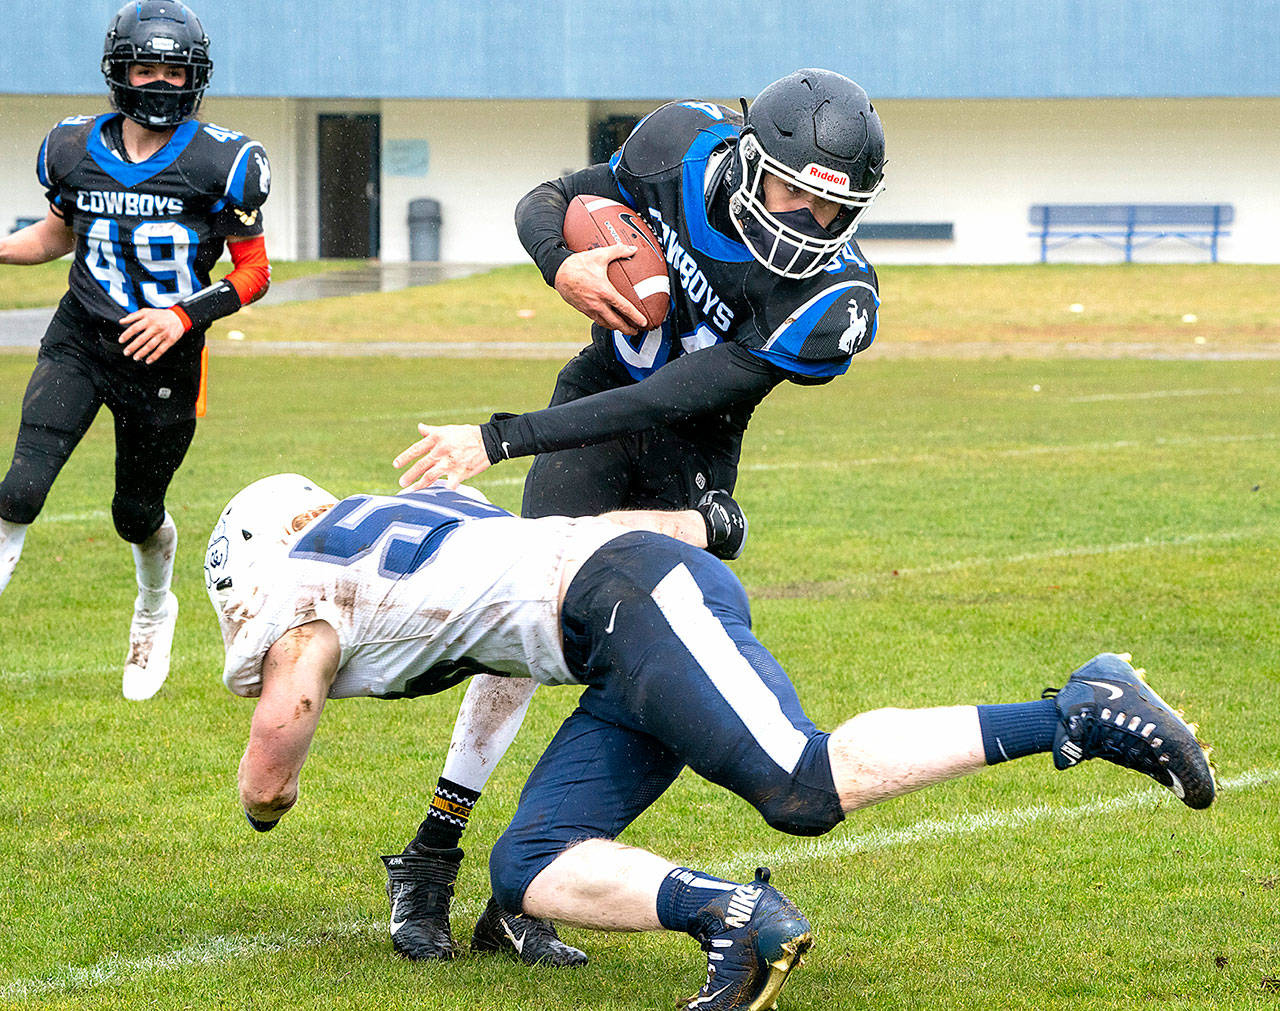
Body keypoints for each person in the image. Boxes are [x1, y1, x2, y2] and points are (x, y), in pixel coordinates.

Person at [209, 475, 1216, 1011]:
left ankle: (1076, 710)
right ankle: (734, 918)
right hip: (611, 635)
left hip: (633, 605)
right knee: (527, 868)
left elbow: (274, 743)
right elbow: (506, 657)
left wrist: (265, 805)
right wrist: (443, 836)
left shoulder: (309, 589)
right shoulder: (408, 529)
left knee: (803, 787)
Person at [387, 67, 888, 960]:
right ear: (749, 160)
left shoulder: (834, 302)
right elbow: (551, 199)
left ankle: (526, 890)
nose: (811, 225)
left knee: (651, 681)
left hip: (688, 450)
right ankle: (430, 855)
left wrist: (501, 439)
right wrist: (562, 261)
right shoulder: (679, 147)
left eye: (832, 210)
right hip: (591, 410)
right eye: (794, 195)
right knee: (519, 644)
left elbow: (668, 400)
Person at [0, 1, 271, 700]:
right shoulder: (70, 146)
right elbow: (56, 236)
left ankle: (154, 605)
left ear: (195, 77)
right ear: (119, 71)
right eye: (144, 67)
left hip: (166, 357)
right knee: (20, 490)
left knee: (134, 513)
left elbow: (254, 273)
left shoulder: (224, 160)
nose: (158, 83)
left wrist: (184, 315)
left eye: (172, 71)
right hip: (82, 337)